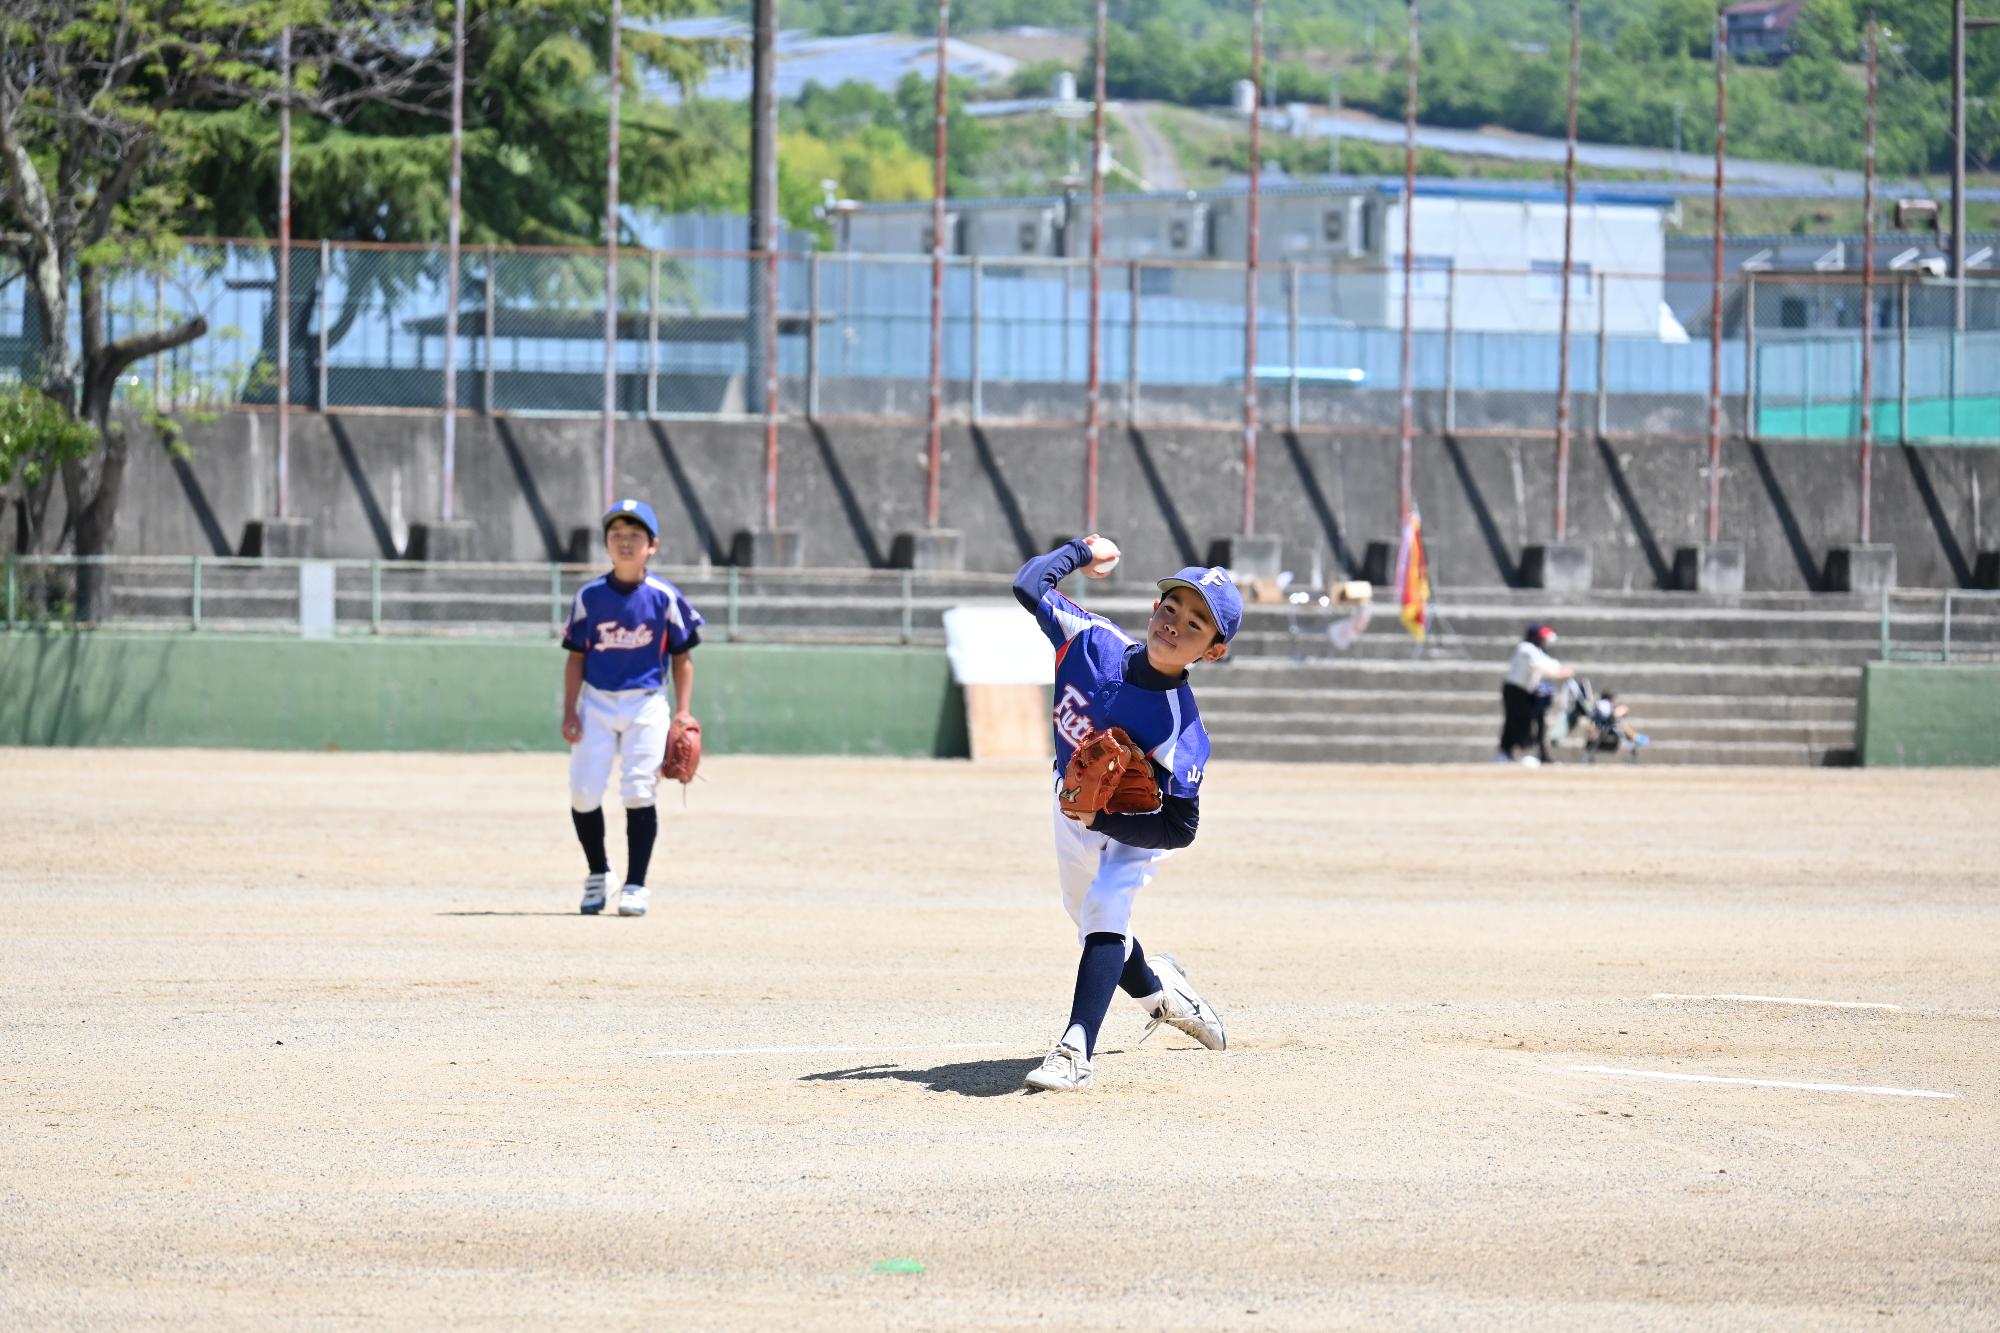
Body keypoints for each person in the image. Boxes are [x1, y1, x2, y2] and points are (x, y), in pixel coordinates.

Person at [1011, 535, 1236, 1093]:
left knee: (1108, 908)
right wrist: (1082, 551)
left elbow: (1181, 828)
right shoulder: (1091, 641)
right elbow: (1028, 584)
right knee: (1087, 918)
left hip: (1136, 827)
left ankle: (1075, 1049)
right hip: (1071, 809)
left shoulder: (1181, 730)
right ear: (1153, 609)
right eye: (1172, 607)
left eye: (1196, 625)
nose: (1176, 624)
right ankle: (1163, 993)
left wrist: (1105, 823)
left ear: (1211, 652)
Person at [560, 499, 702, 917]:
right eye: (617, 535)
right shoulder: (589, 596)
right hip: (597, 703)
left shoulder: (663, 597)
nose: (625, 543)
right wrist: (570, 710)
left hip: (646, 704)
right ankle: (599, 873)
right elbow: (575, 658)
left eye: (634, 536)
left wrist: (683, 712)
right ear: (606, 543)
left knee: (640, 790)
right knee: (584, 792)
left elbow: (682, 657)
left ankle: (637, 884)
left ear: (652, 545)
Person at [1497, 623, 1572, 767]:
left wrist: (1558, 669)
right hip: (1515, 690)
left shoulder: (1536, 650)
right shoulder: (1526, 648)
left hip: (1524, 691)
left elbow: (1548, 662)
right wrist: (1560, 671)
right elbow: (1540, 666)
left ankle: (1506, 752)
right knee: (1519, 722)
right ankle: (1520, 753)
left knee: (1517, 721)